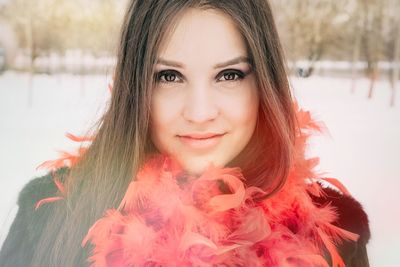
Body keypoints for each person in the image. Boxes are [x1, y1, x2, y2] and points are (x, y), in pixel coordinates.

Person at [0, 0, 370, 266]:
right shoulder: (49, 218)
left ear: (264, 83)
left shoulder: (335, 234)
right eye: (169, 76)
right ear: (136, 86)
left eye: (229, 75)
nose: (200, 112)